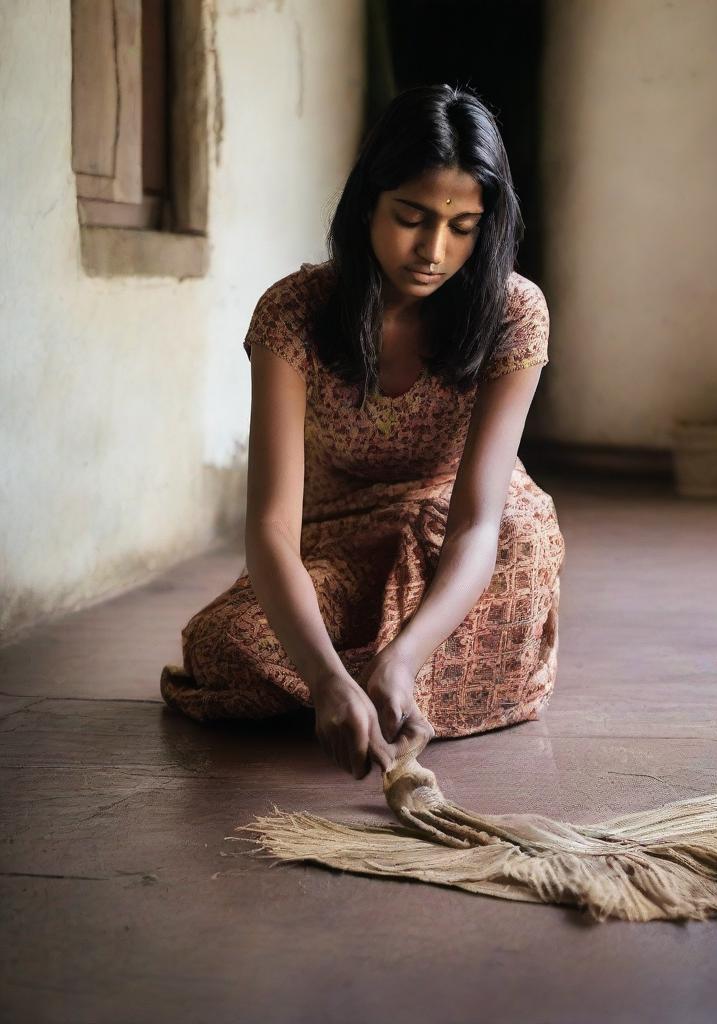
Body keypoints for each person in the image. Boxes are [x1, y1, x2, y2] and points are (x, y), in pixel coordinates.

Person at [160, 84, 565, 781]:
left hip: (454, 541)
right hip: (340, 540)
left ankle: (391, 675)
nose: (434, 249)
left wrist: (404, 656)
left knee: (521, 549)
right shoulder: (293, 313)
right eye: (411, 216)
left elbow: (478, 523)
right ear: (367, 204)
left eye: (463, 226)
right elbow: (271, 528)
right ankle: (352, 687)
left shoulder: (513, 311)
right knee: (226, 645)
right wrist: (321, 679)